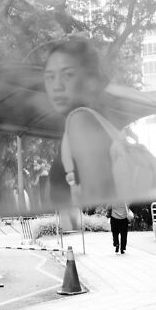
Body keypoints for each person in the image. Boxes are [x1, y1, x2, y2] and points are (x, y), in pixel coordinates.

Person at [43, 37, 117, 222]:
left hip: (85, 235)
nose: (57, 86)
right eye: (50, 77)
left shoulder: (80, 121)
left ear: (90, 80)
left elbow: (96, 204)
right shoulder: (91, 121)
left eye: (68, 74)